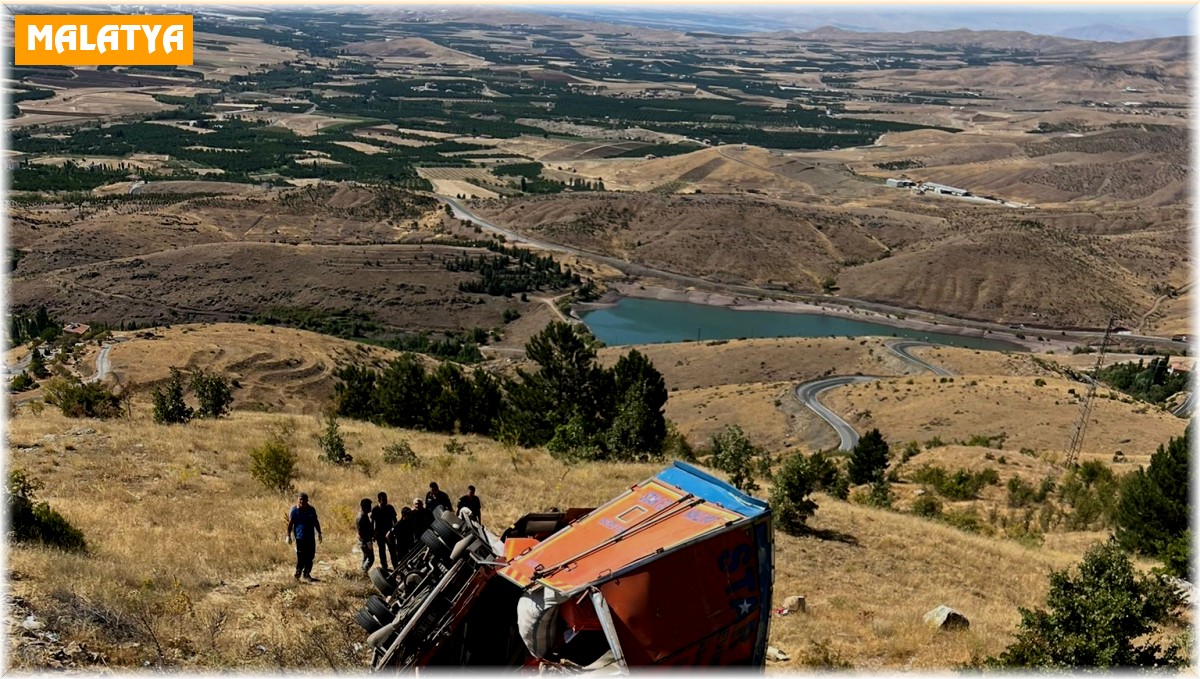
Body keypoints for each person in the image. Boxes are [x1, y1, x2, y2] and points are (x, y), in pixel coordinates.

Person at [286, 492, 322, 582]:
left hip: (310, 537)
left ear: (307, 500)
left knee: (310, 556)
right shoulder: (294, 510)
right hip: (300, 537)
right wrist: (288, 535)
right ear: (298, 500)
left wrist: (319, 533)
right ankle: (297, 575)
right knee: (301, 557)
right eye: (300, 499)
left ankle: (306, 574)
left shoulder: (311, 509)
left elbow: (315, 521)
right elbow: (290, 524)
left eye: (304, 499)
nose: (302, 501)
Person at [371, 492, 398, 573]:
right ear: (379, 500)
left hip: (390, 533)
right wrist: (373, 534)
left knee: (392, 551)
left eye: (386, 499)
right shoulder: (375, 510)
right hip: (380, 534)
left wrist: (395, 531)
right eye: (383, 499)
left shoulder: (390, 508)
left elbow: (395, 520)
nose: (385, 501)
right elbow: (372, 522)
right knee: (381, 551)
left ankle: (396, 567)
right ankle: (384, 568)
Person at [356, 498, 374, 573]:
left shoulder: (365, 515)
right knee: (371, 558)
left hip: (365, 541)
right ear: (365, 507)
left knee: (365, 557)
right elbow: (361, 532)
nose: (370, 508)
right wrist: (367, 542)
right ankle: (363, 572)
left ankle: (363, 572)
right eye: (369, 506)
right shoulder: (361, 518)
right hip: (365, 541)